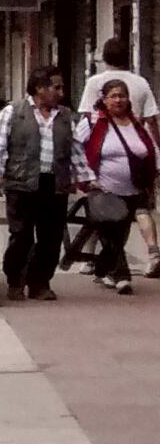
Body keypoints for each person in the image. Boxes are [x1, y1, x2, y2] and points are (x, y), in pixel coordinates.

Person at [0, 65, 77, 302]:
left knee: (51, 236)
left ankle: (40, 282)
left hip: (54, 183)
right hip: (22, 183)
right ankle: (15, 280)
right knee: (22, 235)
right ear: (39, 88)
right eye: (56, 87)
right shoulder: (13, 112)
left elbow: (75, 150)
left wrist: (85, 178)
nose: (61, 92)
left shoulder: (65, 116)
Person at [78, 36, 160, 276]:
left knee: (103, 209)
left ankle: (93, 258)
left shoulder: (95, 82)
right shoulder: (141, 83)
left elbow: (86, 118)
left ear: (104, 58)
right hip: (139, 152)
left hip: (107, 152)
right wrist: (155, 149)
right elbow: (151, 120)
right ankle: (153, 252)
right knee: (142, 207)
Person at [74, 77, 151, 295]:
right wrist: (86, 178)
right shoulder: (93, 123)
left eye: (122, 96)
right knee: (110, 232)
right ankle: (122, 276)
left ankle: (103, 268)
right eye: (113, 96)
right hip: (103, 189)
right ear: (104, 100)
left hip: (133, 189)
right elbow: (76, 149)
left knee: (120, 235)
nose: (118, 100)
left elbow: (150, 148)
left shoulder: (137, 124)